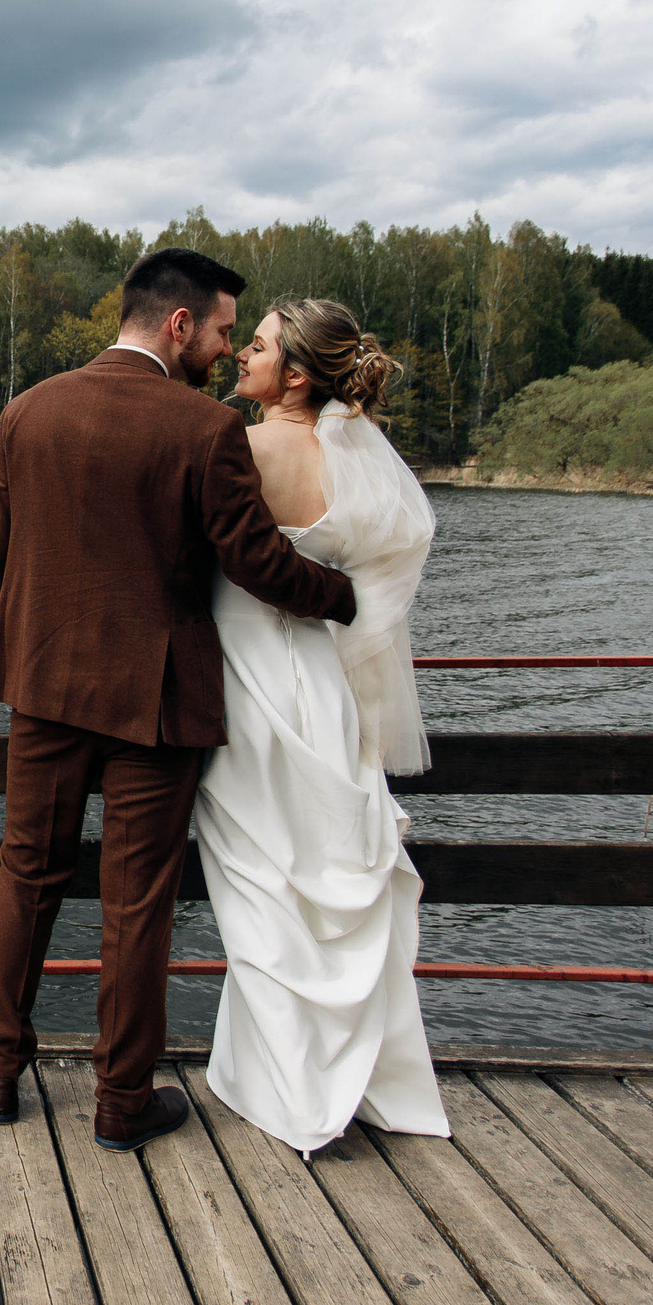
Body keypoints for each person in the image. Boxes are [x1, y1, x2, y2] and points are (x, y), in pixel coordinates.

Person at [0, 249, 357, 1152]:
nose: (227, 350)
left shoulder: (27, 413)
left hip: (46, 691)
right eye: (225, 330)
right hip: (153, 705)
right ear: (178, 324)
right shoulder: (203, 428)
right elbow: (257, 565)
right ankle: (120, 1101)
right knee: (134, 904)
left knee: (26, 879)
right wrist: (345, 596)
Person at [195, 299, 448, 1152]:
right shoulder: (357, 464)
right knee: (322, 879)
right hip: (324, 689)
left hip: (247, 686)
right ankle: (361, 1076)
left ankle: (293, 1088)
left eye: (257, 346)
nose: (243, 356)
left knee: (263, 888)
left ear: (295, 374)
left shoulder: (242, 445)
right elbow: (373, 579)